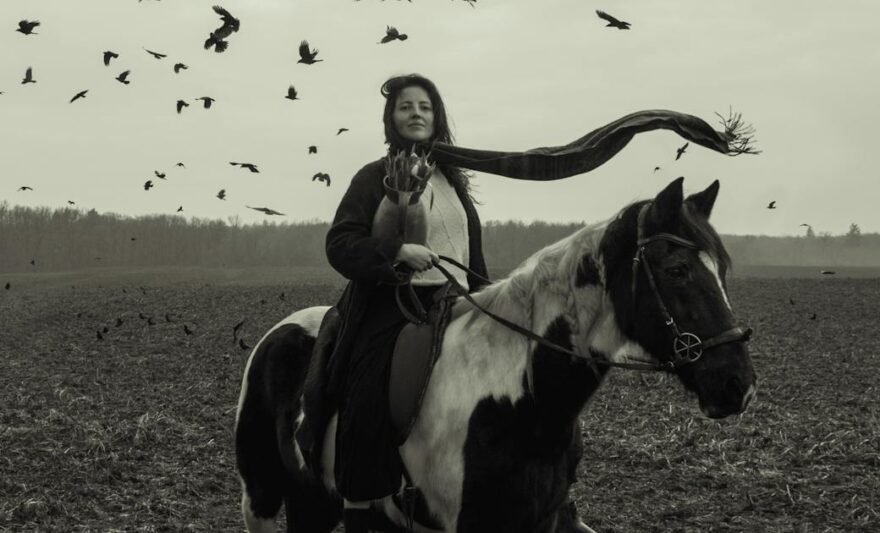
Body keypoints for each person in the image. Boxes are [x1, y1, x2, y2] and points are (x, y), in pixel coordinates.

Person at [324, 73, 490, 532]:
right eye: (405, 107)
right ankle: (361, 507)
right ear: (391, 118)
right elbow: (340, 243)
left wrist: (485, 299)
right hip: (393, 304)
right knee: (369, 395)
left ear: (437, 118)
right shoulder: (373, 176)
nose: (416, 113)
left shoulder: (454, 182)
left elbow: (471, 254)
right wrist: (396, 253)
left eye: (425, 106)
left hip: (456, 304)